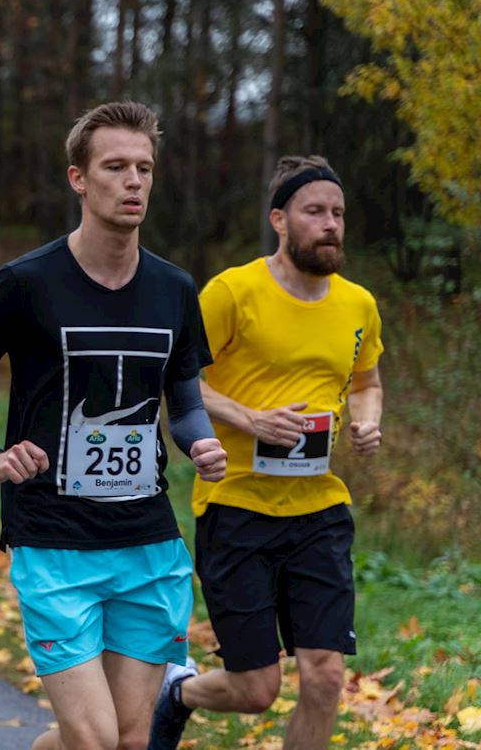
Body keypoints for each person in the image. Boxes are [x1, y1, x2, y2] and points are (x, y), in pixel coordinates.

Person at [0, 101, 227, 750]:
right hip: (54, 540)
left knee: (127, 740)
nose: (134, 182)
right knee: (92, 740)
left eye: (144, 169)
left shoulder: (174, 289)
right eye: (116, 166)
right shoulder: (25, 283)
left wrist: (199, 439)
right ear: (78, 179)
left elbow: (184, 398)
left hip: (148, 543)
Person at [148, 156, 384, 750]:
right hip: (238, 506)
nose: (330, 224)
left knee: (326, 675)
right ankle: (177, 692)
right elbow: (176, 381)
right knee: (256, 691)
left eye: (338, 214)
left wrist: (366, 422)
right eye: (314, 212)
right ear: (280, 219)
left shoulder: (358, 304)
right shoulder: (233, 291)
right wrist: (249, 418)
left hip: (318, 510)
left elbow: (366, 381)